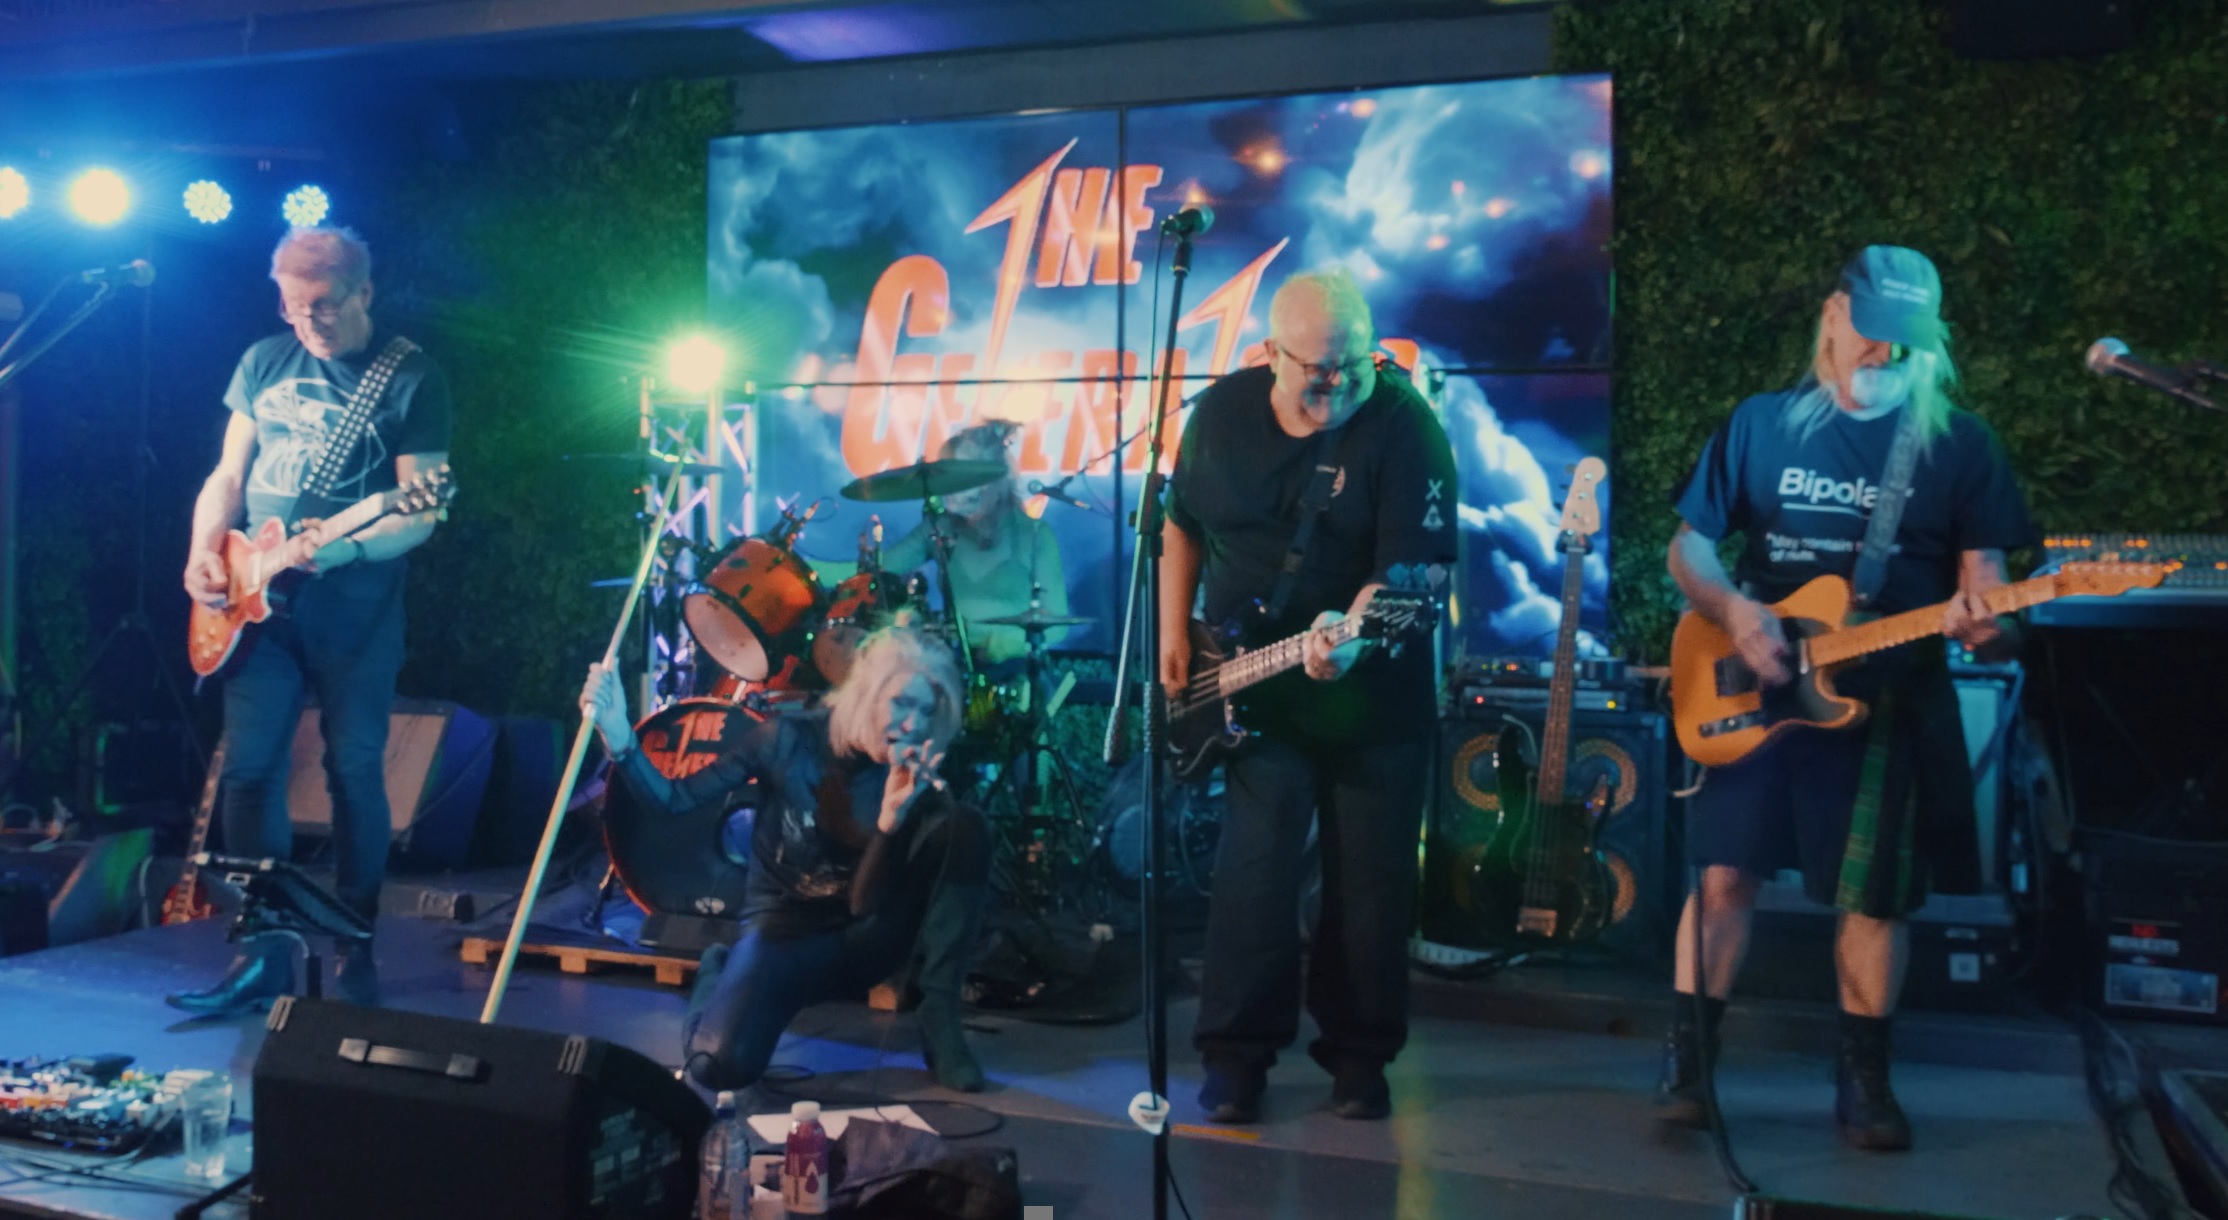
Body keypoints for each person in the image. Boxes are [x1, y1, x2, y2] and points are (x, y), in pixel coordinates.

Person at [1657, 246, 2036, 1150]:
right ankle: (1687, 1066)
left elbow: (1988, 587)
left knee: (1874, 898)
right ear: (1833, 316)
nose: (1883, 355)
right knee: (1723, 876)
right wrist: (1735, 610)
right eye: (1870, 333)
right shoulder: (1762, 423)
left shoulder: (1959, 444)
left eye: (1905, 344)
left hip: (1888, 695)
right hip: (1758, 680)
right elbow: (1690, 548)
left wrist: (1990, 627)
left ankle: (1864, 1079)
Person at [1160, 268, 1458, 1123]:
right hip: (1251, 683)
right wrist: (1174, 631)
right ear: (1270, 354)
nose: (1337, 385)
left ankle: (1360, 1060)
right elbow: (1181, 522)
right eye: (1317, 371)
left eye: (1353, 367)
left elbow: (1412, 567)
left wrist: (1354, 637)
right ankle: (1235, 1059)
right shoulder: (1220, 414)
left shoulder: (1404, 425)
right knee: (1253, 873)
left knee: (1369, 883)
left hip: (1374, 686)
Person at [170, 226, 451, 1017]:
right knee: (249, 771)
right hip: (255, 600)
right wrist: (202, 552)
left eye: (323, 306)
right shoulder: (264, 360)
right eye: (294, 307)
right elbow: (228, 475)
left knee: (353, 766)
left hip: (354, 607)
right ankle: (264, 951)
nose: (308, 323)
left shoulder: (412, 377)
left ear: (364, 292)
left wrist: (347, 551)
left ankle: (355, 937)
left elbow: (419, 513)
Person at [580, 626, 991, 1093]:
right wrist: (621, 740)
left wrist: (890, 823)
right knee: (717, 1067)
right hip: (784, 933)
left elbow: (863, 904)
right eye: (901, 704)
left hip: (868, 935)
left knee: (966, 825)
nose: (913, 724)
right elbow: (673, 801)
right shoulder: (787, 739)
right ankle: (718, 972)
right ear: (866, 695)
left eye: (926, 711)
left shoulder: (910, 771)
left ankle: (940, 1020)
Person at [879, 420, 1070, 668]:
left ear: (991, 479)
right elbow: (877, 569)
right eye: (947, 476)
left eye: (960, 477)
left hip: (1016, 669)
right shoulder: (939, 528)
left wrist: (1005, 645)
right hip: (953, 666)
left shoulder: (1036, 534)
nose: (950, 487)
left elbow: (1057, 626)